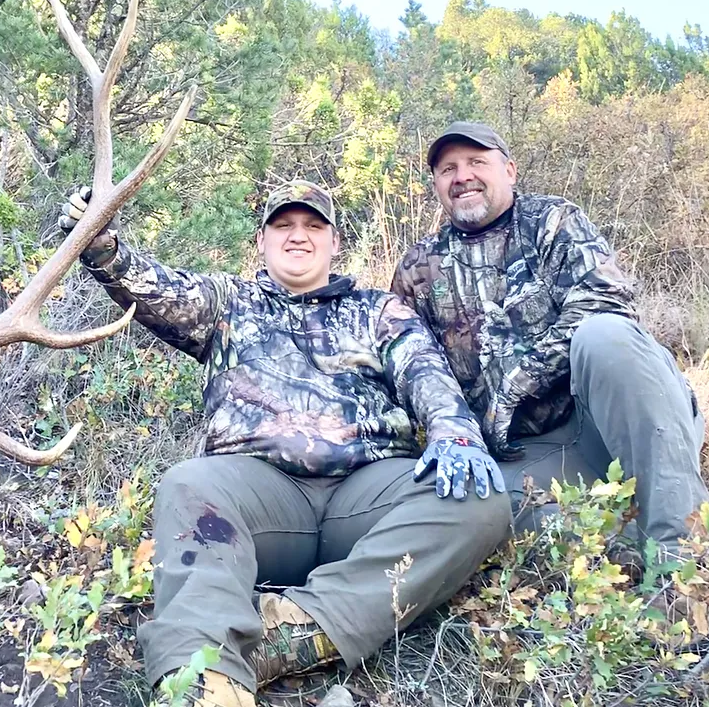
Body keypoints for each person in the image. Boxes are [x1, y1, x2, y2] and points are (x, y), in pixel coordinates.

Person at [59, 179, 509, 707]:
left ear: (335, 242)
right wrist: (103, 246)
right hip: (259, 499)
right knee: (188, 485)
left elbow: (426, 374)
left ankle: (294, 630)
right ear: (261, 241)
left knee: (477, 497)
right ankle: (202, 680)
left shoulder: (379, 311)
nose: (299, 235)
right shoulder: (228, 303)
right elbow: (153, 287)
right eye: (283, 225)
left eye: (314, 225)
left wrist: (455, 431)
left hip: (367, 497)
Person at [391, 121, 709, 562]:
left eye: (476, 162)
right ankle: (621, 550)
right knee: (477, 506)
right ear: (437, 185)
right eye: (448, 169)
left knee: (606, 336)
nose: (462, 176)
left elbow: (605, 302)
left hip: (607, 422)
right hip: (527, 453)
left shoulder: (553, 221)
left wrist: (515, 385)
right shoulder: (418, 266)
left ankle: (689, 559)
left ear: (509, 171)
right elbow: (409, 364)